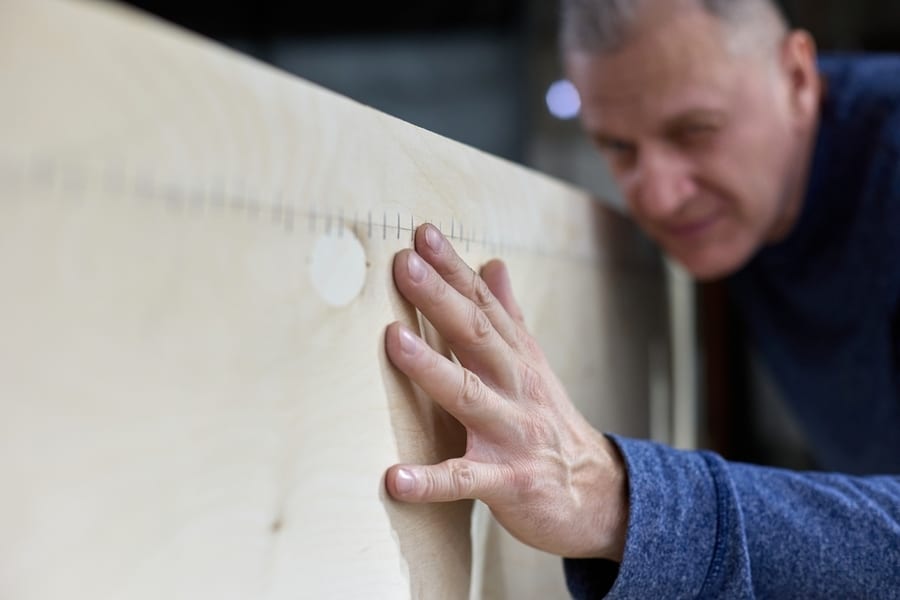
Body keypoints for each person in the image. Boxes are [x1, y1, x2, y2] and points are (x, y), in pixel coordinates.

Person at [383, 0, 900, 596]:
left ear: (798, 77)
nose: (656, 196)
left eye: (695, 131)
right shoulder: (749, 201)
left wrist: (617, 500)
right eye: (618, 147)